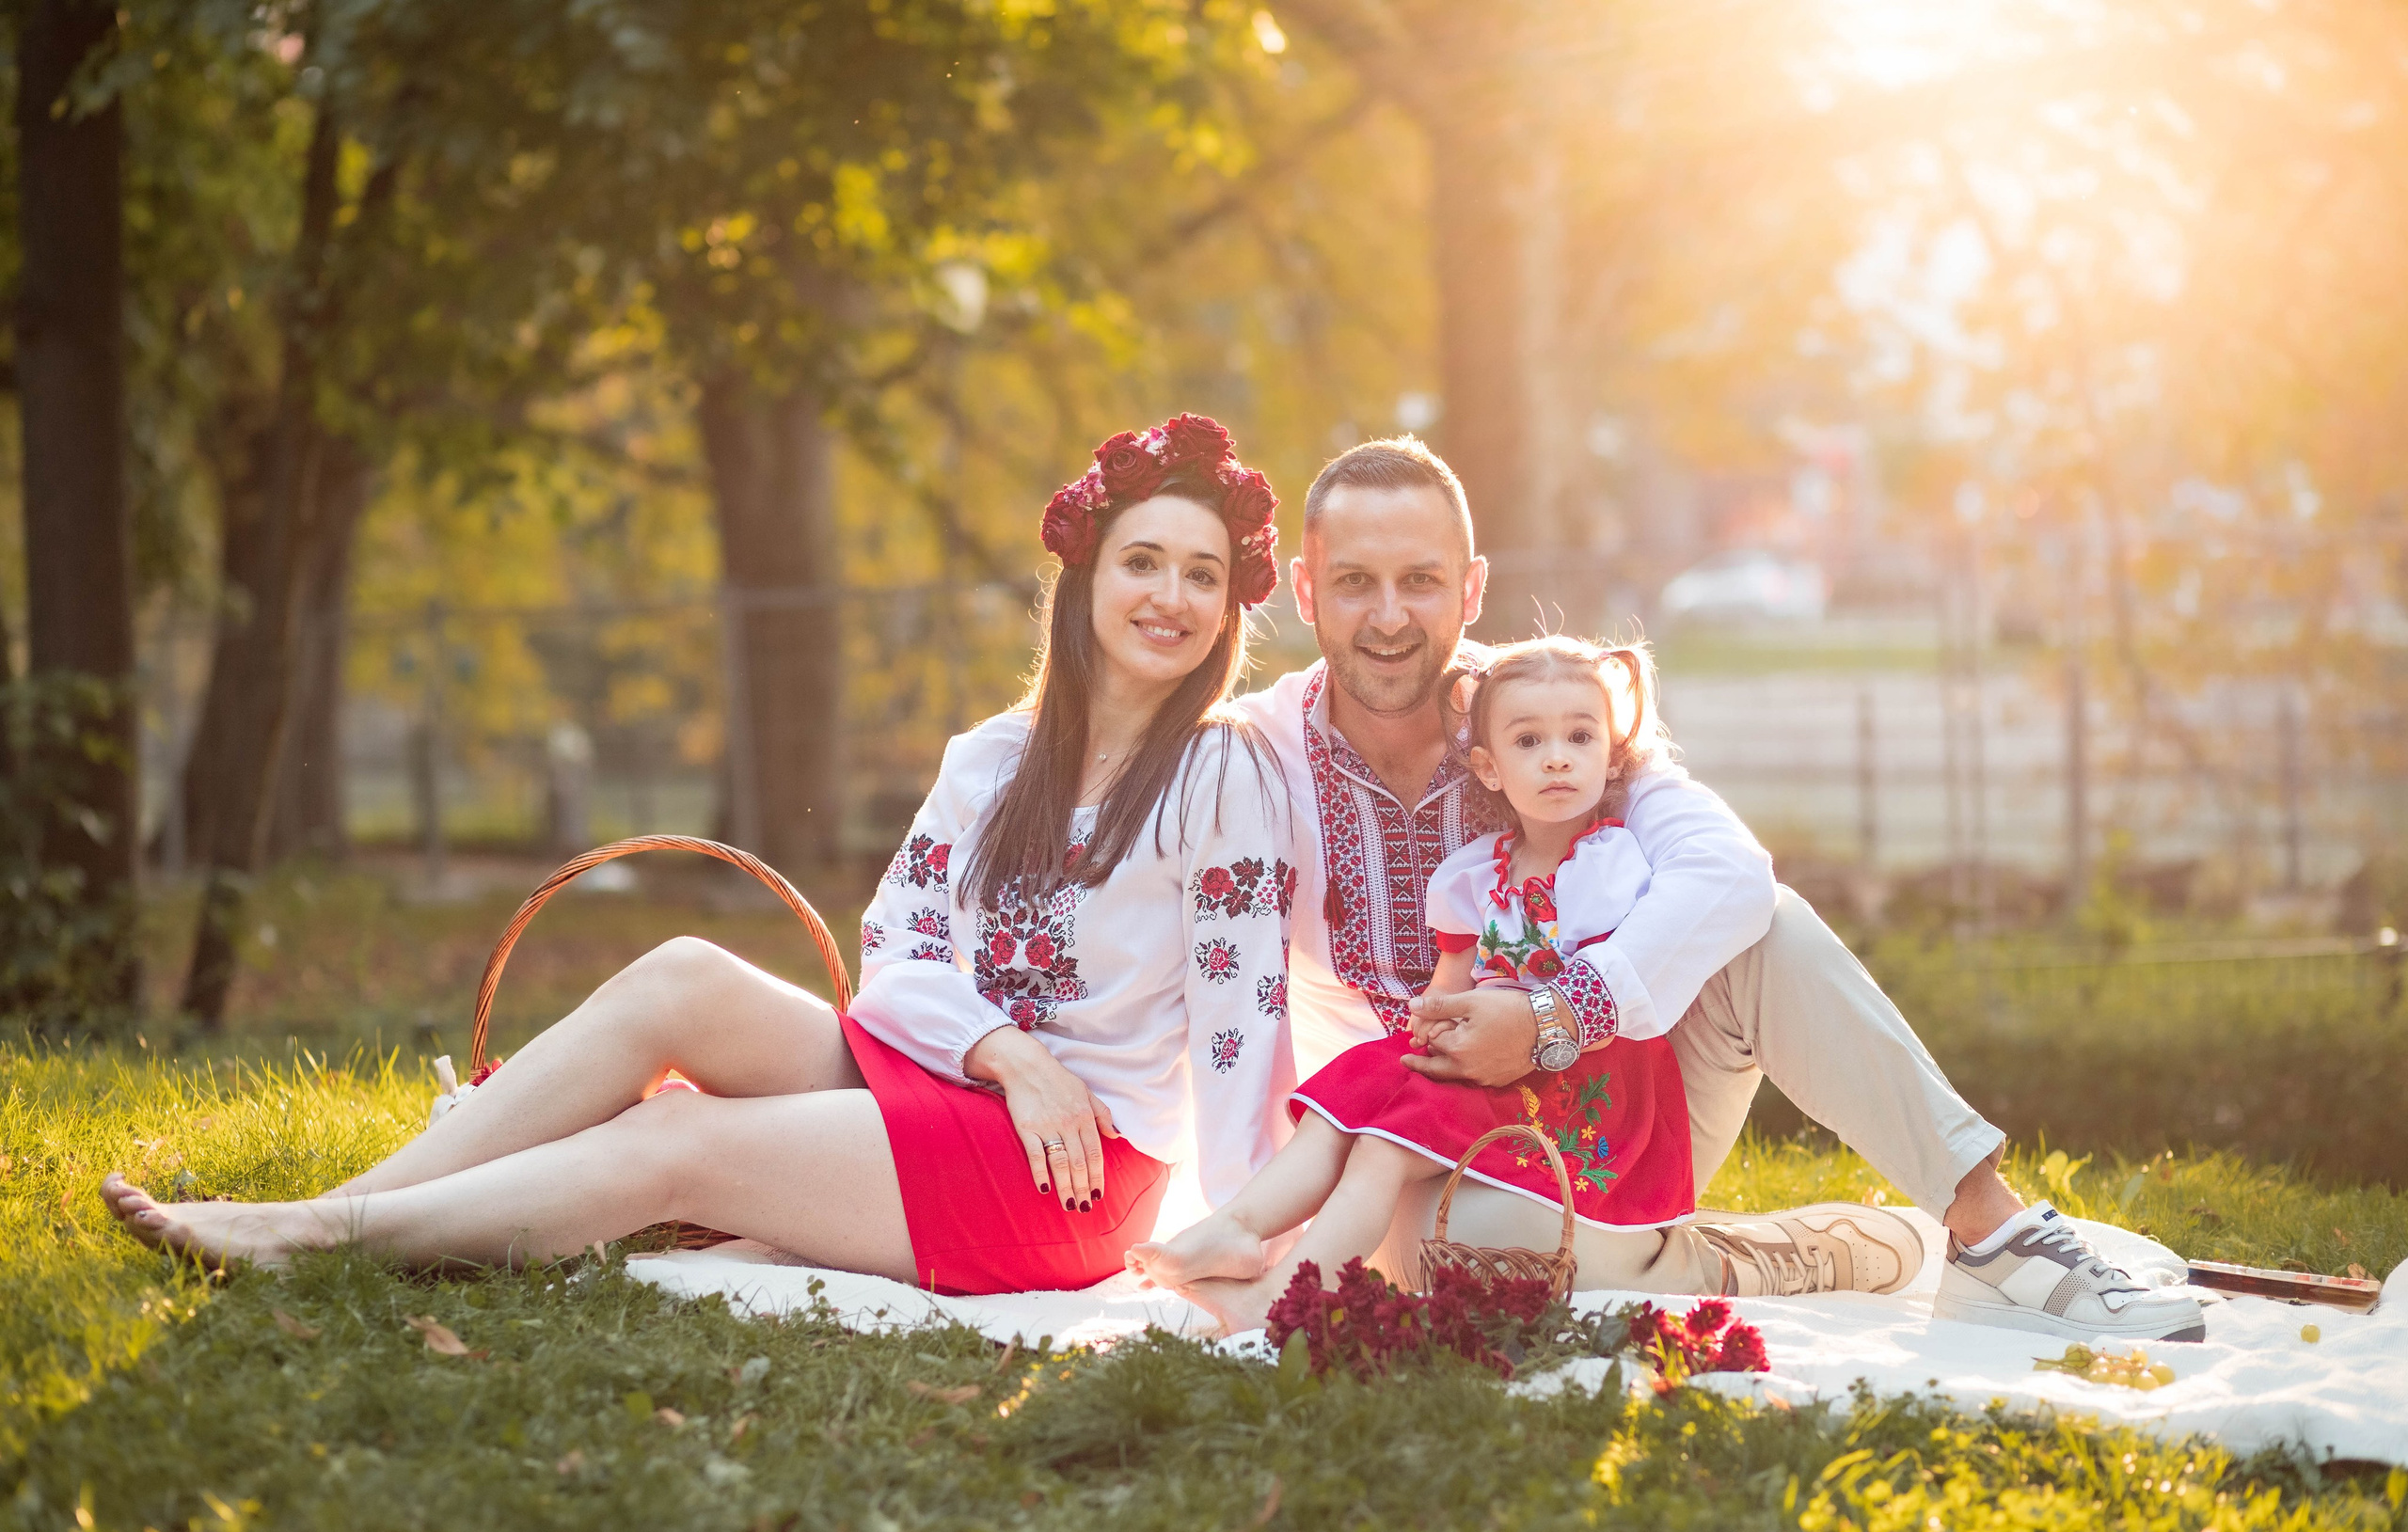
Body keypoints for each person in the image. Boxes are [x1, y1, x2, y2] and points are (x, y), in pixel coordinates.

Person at [103, 414, 1298, 1297]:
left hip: (1071, 1170)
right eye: (1143, 561)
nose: (1170, 597)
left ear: (1225, 614)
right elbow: (894, 954)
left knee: (674, 1144)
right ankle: (337, 1206)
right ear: (1086, 576)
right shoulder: (994, 757)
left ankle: (313, 1244)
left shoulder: (1220, 777)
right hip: (955, 1077)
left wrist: (1248, 1226)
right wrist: (1005, 1054)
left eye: (1202, 575)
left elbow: (1242, 1027)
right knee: (682, 970)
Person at [1229, 436, 2206, 1342]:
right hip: (1409, 1159)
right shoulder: (1250, 754)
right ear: (1307, 592)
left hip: (1617, 1106)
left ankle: (1989, 1232)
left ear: (1472, 588)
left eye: (1421, 581)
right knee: (1482, 1262)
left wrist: (1550, 1017)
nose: (1390, 616)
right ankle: (1757, 1258)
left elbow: (1728, 873)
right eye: (1355, 583)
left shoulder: (1547, 708)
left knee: (1763, 927)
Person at [1133, 635, 1736, 1333]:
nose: (1558, 756)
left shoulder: (1613, 864)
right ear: (1488, 766)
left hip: (1574, 1077)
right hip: (1489, 1064)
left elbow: (1612, 978)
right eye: (1529, 740)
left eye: (1580, 735)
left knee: (1386, 1143)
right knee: (1356, 1088)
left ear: (1611, 755)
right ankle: (1240, 1224)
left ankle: (1288, 1297)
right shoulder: (1475, 873)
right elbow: (1452, 979)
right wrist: (1430, 1024)